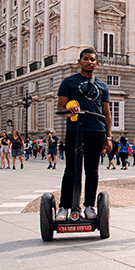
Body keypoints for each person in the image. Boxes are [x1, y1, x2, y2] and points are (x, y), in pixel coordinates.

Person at [56, 48, 113, 221]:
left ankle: (89, 206)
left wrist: (109, 136)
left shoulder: (102, 85)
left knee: (92, 170)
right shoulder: (68, 82)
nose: (90, 62)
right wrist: (68, 110)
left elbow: (107, 113)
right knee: (71, 169)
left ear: (96, 63)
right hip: (75, 130)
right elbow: (60, 109)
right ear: (79, 61)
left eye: (93, 59)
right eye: (86, 59)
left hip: (97, 131)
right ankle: (64, 207)